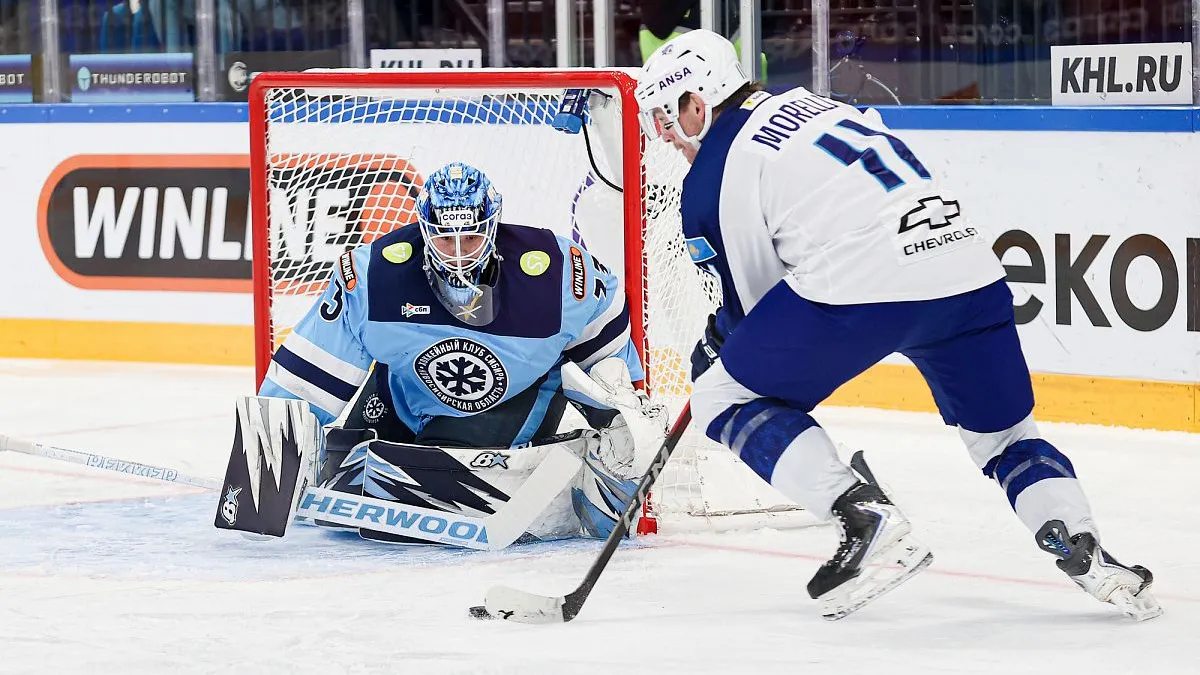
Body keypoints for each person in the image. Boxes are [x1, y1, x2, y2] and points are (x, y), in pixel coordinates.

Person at [635, 29, 1161, 621]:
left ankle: (859, 513)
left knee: (720, 395)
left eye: (666, 116)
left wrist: (721, 345)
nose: (665, 135)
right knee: (1006, 438)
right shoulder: (816, 106)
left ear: (697, 103)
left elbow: (753, 311)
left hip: (868, 281)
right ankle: (1081, 544)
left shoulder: (715, 172)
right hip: (969, 272)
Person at [249, 161, 657, 545]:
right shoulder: (374, 275)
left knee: (418, 483)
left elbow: (609, 358)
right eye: (446, 238)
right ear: (424, 229)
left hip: (512, 399)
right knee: (341, 469)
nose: (459, 253)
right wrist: (266, 473)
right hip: (403, 394)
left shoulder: (557, 272)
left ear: (493, 227)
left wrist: (622, 427)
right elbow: (308, 377)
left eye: (472, 237)